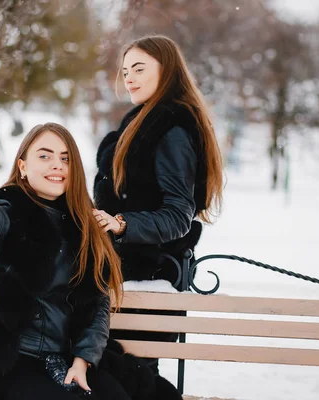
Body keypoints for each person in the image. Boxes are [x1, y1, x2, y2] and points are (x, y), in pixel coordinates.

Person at [0, 123, 182, 400]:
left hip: (66, 357)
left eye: (65, 158)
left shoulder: (86, 226)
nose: (57, 165)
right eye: (44, 155)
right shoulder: (8, 214)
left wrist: (83, 359)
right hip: (8, 363)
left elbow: (97, 304)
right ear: (23, 167)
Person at [93, 35, 224, 373]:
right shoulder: (144, 120)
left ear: (167, 71)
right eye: (125, 72)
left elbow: (179, 215)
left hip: (145, 280)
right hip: (122, 277)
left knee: (125, 382)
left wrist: (122, 224)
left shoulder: (171, 127)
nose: (129, 78)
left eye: (139, 69)